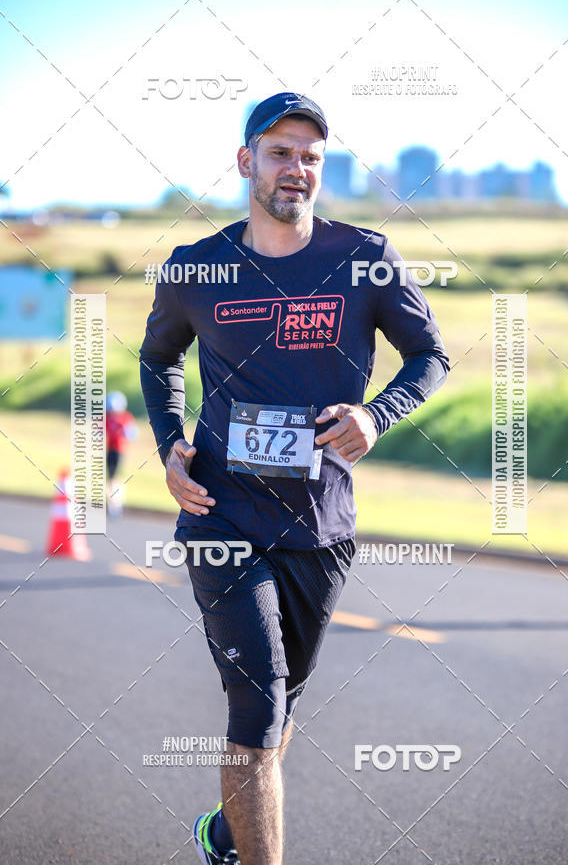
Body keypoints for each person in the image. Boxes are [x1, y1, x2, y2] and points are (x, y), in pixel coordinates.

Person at [139, 92, 449, 865]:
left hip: (321, 523)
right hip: (220, 515)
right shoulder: (197, 266)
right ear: (246, 161)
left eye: (311, 156)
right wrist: (171, 444)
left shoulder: (364, 256)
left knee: (281, 709)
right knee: (259, 701)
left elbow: (429, 357)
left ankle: (224, 830)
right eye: (280, 152)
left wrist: (379, 414)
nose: (296, 169)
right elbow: (158, 359)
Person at [105, 390, 138, 517]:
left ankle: (116, 505)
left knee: (115, 479)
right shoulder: (107, 418)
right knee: (111, 479)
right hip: (110, 451)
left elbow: (132, 434)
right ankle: (114, 504)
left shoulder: (125, 418)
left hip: (119, 452)